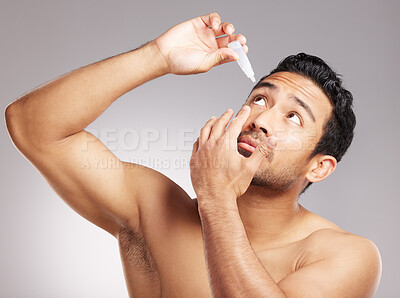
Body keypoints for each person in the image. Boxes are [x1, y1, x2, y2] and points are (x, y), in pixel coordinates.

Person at [5, 12, 381, 297]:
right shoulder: (153, 209)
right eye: (260, 99)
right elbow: (32, 127)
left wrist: (217, 199)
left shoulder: (346, 256)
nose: (262, 119)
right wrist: (157, 56)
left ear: (319, 167)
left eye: (293, 117)